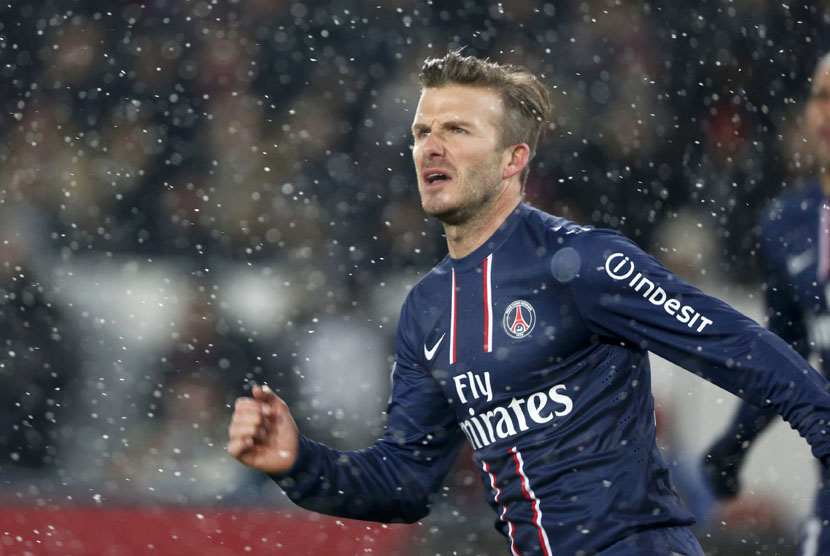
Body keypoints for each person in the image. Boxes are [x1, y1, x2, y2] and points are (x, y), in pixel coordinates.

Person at [228, 51, 830, 556]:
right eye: (421, 132)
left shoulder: (582, 265)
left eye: (457, 130)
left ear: (514, 159)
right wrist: (298, 461)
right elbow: (405, 482)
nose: (431, 146)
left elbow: (738, 347)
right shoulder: (427, 310)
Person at [701, 52, 830, 556]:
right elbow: (786, 353)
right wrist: (737, 440)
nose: (827, 112)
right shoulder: (786, 223)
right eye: (821, 97)